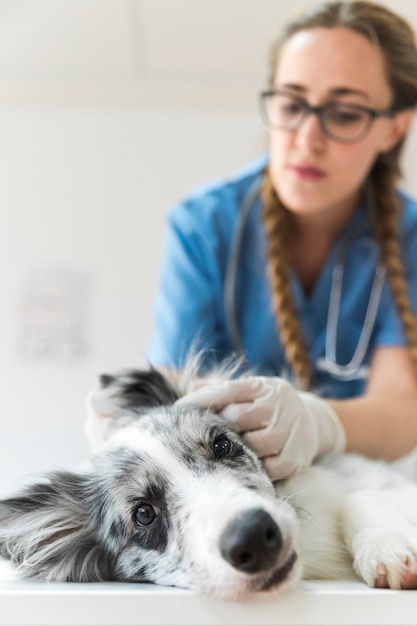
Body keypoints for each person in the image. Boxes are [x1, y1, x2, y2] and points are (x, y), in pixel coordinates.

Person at [146, 1, 417, 480]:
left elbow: (402, 411)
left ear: (394, 127)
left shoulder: (410, 237)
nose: (307, 138)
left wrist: (320, 422)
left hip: (365, 488)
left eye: (346, 113)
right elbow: (177, 393)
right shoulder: (203, 227)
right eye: (292, 105)